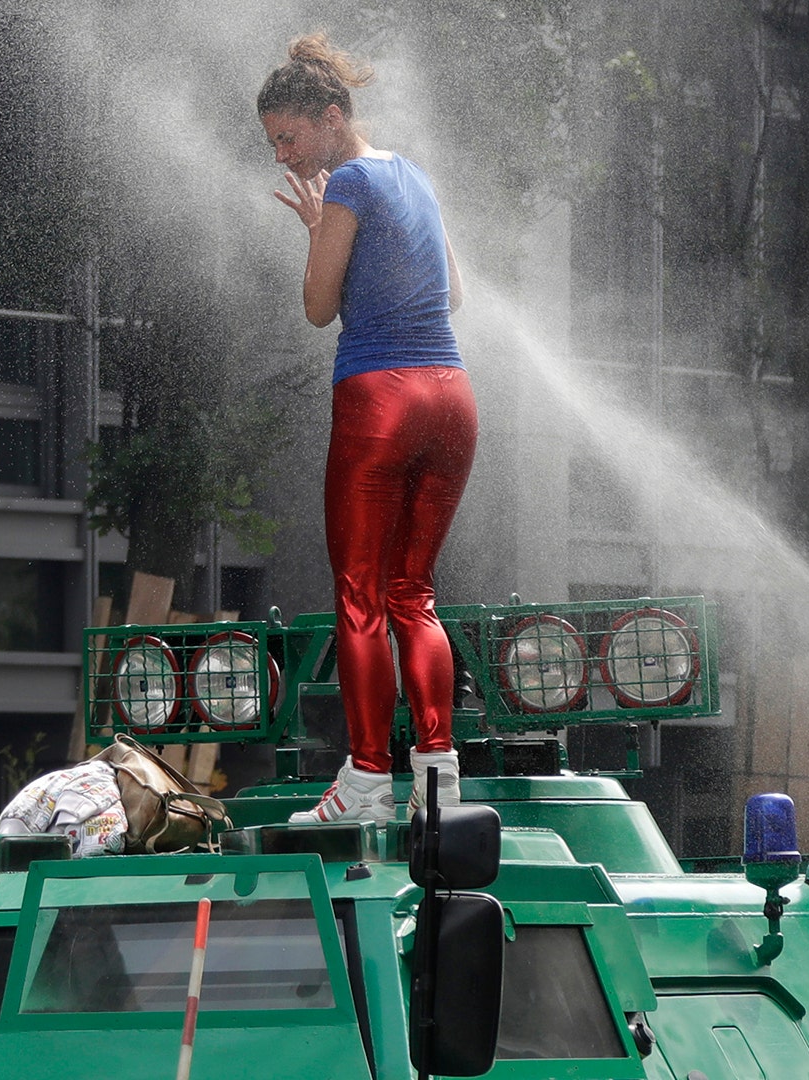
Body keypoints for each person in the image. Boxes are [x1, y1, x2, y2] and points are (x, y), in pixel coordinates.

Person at [258, 33, 477, 822]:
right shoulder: (413, 175)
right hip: (452, 398)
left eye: (290, 136)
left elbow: (318, 309)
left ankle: (364, 783)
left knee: (360, 600)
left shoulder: (347, 181)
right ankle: (438, 776)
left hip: (380, 401)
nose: (285, 154)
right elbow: (451, 294)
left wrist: (319, 229)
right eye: (274, 142)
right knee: (414, 594)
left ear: (330, 115)